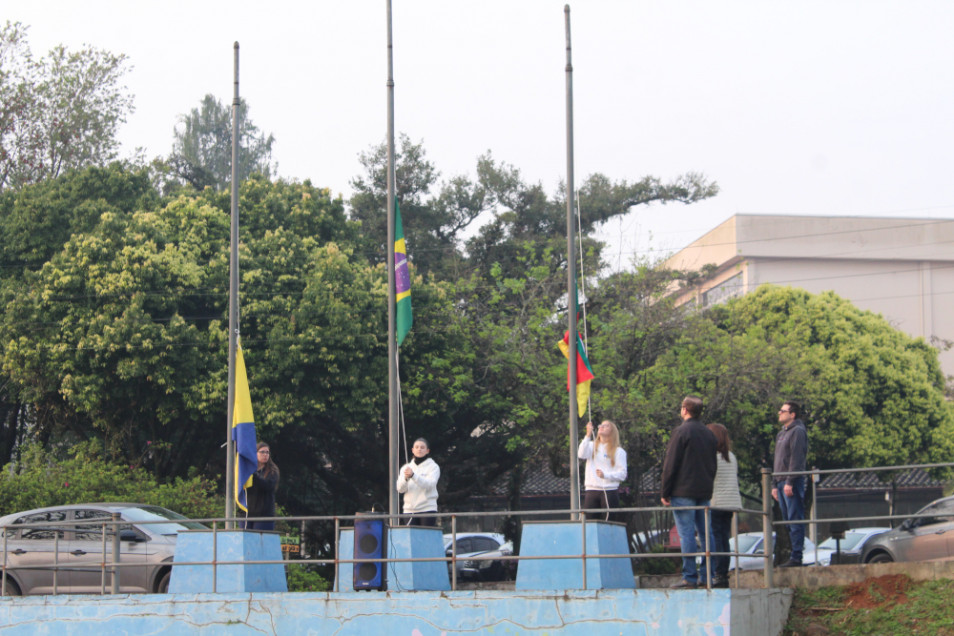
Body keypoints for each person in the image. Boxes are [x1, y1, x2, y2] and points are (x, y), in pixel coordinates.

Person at [661, 395, 717, 589]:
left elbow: (671, 463)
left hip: (683, 490)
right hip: (703, 490)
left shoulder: (681, 431)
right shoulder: (709, 434)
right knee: (706, 534)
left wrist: (665, 491)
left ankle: (689, 577)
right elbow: (713, 464)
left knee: (686, 534)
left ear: (685, 409)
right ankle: (709, 575)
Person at [772, 401, 809, 567]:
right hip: (780, 482)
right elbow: (777, 460)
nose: (779, 413)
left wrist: (790, 481)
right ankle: (793, 554)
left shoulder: (798, 432)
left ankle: (796, 556)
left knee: (795, 518)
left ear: (792, 414)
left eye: (783, 411)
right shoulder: (781, 434)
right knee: (787, 520)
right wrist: (774, 484)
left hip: (790, 482)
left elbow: (797, 458)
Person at [706, 422, 742, 588]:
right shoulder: (731, 456)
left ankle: (717, 573)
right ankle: (723, 573)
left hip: (717, 502)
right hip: (731, 502)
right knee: (724, 538)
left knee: (715, 538)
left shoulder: (711, 457)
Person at [577, 420, 628, 521]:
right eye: (601, 425)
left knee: (609, 520)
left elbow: (622, 474)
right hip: (591, 489)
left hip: (609, 490)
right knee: (589, 521)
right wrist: (587, 435)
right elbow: (581, 454)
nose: (602, 427)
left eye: (606, 426)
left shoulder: (619, 451)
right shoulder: (591, 446)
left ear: (612, 431)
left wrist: (606, 475)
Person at [396, 438, 440, 526]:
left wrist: (414, 476)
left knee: (425, 537)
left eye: (422, 447)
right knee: (411, 539)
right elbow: (400, 489)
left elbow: (430, 485)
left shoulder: (433, 467)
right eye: (417, 447)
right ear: (412, 450)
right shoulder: (406, 468)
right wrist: (406, 478)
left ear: (427, 451)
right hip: (409, 510)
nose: (419, 449)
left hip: (427, 509)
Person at [245, 441, 280, 531]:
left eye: (267, 452)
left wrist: (254, 475)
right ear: (255, 453)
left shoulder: (272, 470)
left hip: (264, 514)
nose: (265, 455)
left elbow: (268, 486)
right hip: (247, 512)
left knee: (260, 542)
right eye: (262, 452)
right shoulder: (248, 470)